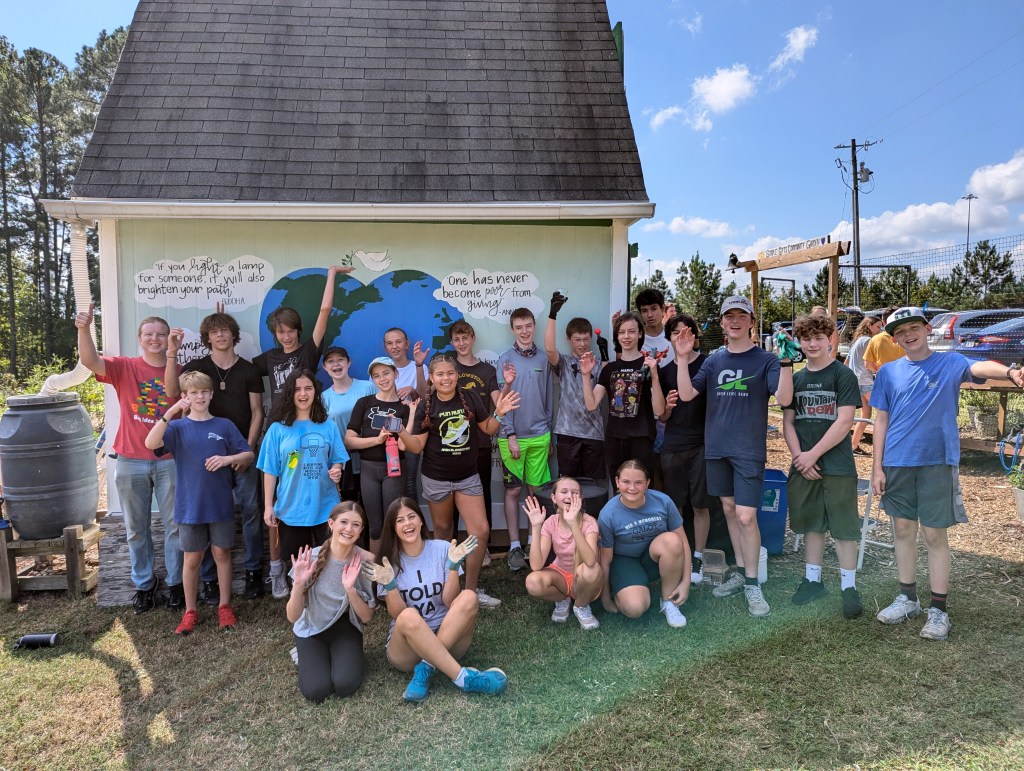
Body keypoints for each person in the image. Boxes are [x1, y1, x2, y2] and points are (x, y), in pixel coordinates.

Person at [871, 307, 1024, 640]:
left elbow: (979, 366)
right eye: (900, 332)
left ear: (927, 329)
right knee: (902, 531)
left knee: (935, 535)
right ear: (894, 338)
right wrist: (876, 467)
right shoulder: (887, 372)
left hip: (937, 462)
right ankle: (907, 598)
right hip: (897, 463)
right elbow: (880, 421)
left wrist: (1012, 373)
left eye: (914, 328)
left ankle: (938, 610)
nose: (908, 335)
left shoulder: (950, 362)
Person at [671, 295, 793, 618]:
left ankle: (753, 584)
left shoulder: (765, 360)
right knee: (727, 508)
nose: (735, 320)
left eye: (742, 315)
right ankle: (740, 571)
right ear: (722, 323)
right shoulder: (713, 361)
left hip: (748, 451)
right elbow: (685, 395)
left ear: (752, 321)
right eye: (730, 316)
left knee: (746, 516)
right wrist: (682, 359)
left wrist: (787, 363)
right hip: (717, 449)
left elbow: (782, 397)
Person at [75, 303, 183, 614]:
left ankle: (176, 584)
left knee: (175, 525)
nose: (155, 339)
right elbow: (90, 361)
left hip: (170, 460)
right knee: (136, 527)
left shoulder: (178, 369)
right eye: (149, 334)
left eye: (161, 334)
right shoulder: (125, 367)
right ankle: (144, 586)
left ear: (168, 339)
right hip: (130, 460)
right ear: (139, 338)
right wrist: (84, 328)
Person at [255, 265, 352, 597]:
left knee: (315, 519)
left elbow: (325, 311)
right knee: (281, 507)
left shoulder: (307, 353)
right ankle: (278, 570)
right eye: (280, 332)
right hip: (282, 432)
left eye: (290, 330)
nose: (286, 336)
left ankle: (326, 582)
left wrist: (332, 274)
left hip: (310, 434)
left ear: (298, 330)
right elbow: (231, 365)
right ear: (274, 334)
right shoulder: (266, 358)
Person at [397, 353, 520, 607]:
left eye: (450, 373)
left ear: (457, 376)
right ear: (432, 378)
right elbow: (416, 447)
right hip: (436, 478)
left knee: (481, 531)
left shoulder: (470, 397)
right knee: (443, 533)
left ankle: (471, 591)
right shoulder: (426, 404)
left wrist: (499, 414)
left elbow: (487, 429)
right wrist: (400, 430)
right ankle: (446, 588)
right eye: (440, 374)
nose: (445, 378)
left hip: (468, 477)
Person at [362, 498, 509, 702]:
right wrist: (390, 585)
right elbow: (397, 615)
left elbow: (450, 602)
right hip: (407, 650)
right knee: (409, 615)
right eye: (400, 520)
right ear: (393, 528)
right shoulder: (388, 561)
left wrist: (453, 567)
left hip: (447, 638)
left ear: (422, 521)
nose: (408, 524)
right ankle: (463, 678)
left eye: (412, 517)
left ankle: (425, 668)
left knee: (468, 596)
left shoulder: (442, 548)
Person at [145, 371, 254, 633]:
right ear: (185, 397)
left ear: (211, 394)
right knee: (192, 559)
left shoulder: (223, 425)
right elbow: (150, 443)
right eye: (193, 393)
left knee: (221, 554)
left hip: (220, 504)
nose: (200, 396)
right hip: (189, 505)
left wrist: (227, 460)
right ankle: (190, 611)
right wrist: (170, 413)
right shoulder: (177, 428)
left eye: (204, 392)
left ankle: (225, 607)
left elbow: (248, 454)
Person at [168, 311, 265, 602]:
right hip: (206, 455)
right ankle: (208, 580)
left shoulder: (248, 370)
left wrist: (244, 451)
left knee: (250, 511)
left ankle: (253, 572)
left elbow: (258, 411)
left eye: (225, 330)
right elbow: (173, 391)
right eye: (214, 331)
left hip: (240, 450)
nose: (220, 335)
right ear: (207, 337)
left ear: (233, 334)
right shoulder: (198, 367)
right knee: (207, 513)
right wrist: (173, 354)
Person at [781, 314, 863, 619]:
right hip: (805, 463)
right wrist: (799, 457)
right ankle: (813, 581)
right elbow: (788, 421)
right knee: (812, 523)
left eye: (819, 338)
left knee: (843, 526)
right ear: (799, 342)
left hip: (837, 464)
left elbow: (844, 422)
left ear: (831, 339)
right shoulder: (796, 379)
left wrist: (812, 454)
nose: (813, 344)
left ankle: (848, 587)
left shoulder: (842, 375)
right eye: (807, 339)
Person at [258, 369, 349, 575]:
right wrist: (267, 506)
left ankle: (330, 604)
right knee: (299, 568)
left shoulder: (328, 426)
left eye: (308, 388)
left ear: (315, 392)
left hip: (326, 507)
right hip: (292, 509)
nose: (303, 394)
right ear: (289, 393)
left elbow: (338, 459)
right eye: (297, 389)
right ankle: (301, 604)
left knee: (331, 563)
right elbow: (270, 471)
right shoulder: (277, 429)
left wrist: (336, 469)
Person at [287, 501, 374, 702]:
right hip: (311, 627)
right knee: (316, 690)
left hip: (344, 627)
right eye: (343, 522)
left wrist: (351, 589)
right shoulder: (311, 557)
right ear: (331, 524)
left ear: (361, 531)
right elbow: (293, 616)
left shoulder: (365, 561)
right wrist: (299, 584)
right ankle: (304, 654)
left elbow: (367, 617)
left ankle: (339, 656)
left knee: (346, 684)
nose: (348, 529)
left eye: (355, 524)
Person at [598, 461, 690, 628]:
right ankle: (627, 588)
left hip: (653, 557)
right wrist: (605, 599)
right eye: (626, 482)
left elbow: (683, 542)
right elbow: (605, 560)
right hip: (625, 561)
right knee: (635, 609)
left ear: (647, 483)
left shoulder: (663, 501)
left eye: (638, 482)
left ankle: (668, 601)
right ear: (617, 482)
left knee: (673, 540)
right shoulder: (608, 514)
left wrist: (686, 583)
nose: (632, 488)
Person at [496, 308, 555, 572]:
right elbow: (502, 402)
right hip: (513, 437)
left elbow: (549, 398)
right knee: (512, 491)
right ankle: (514, 546)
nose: (524, 331)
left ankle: (535, 543)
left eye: (528, 326)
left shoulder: (544, 359)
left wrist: (550, 433)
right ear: (512, 329)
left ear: (534, 326)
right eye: (519, 327)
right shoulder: (505, 359)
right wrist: (510, 435)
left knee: (537, 491)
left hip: (540, 435)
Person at [580, 311, 666, 479]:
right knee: (619, 488)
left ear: (640, 333)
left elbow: (660, 410)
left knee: (641, 489)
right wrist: (585, 375)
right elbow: (591, 405)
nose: (626, 336)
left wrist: (654, 375)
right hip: (615, 438)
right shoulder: (609, 369)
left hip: (642, 437)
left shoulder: (649, 365)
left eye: (631, 331)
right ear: (617, 336)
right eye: (621, 332)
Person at [658, 313, 711, 584]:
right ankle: (680, 555)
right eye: (675, 332)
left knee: (701, 504)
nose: (681, 337)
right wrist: (667, 408)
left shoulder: (707, 365)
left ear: (695, 335)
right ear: (668, 338)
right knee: (676, 506)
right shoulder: (665, 371)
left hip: (701, 445)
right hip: (673, 445)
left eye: (686, 331)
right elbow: (663, 418)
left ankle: (699, 556)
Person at [345, 357, 415, 555]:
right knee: (375, 527)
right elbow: (349, 440)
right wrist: (377, 440)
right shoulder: (364, 402)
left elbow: (404, 445)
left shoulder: (404, 407)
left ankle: (396, 569)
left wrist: (403, 425)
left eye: (386, 373)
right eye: (376, 376)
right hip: (368, 469)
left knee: (393, 522)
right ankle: (376, 575)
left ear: (395, 373)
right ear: (372, 380)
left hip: (394, 469)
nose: (382, 379)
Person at [449, 320, 501, 562]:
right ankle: (449, 547)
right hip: (450, 445)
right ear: (452, 342)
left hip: (479, 443)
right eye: (457, 339)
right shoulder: (447, 368)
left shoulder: (487, 371)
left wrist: (508, 384)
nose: (461, 343)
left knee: (481, 494)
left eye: (465, 338)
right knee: (450, 498)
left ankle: (484, 547)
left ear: (473, 338)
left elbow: (498, 402)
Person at [523, 477, 602, 630]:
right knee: (532, 581)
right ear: (553, 497)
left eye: (575, 492)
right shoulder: (550, 522)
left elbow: (590, 561)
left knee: (591, 570)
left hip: (583, 578)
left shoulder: (589, 522)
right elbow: (536, 565)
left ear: (580, 498)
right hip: (560, 574)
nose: (569, 496)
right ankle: (562, 599)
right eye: (563, 492)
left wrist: (573, 524)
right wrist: (536, 527)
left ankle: (581, 605)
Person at [543, 292, 606, 481]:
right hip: (567, 433)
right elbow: (549, 349)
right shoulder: (564, 362)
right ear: (569, 339)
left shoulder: (601, 365)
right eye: (577, 339)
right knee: (567, 487)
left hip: (594, 434)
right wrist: (552, 315)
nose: (582, 344)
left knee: (593, 490)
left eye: (586, 339)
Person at [321, 346, 376, 501]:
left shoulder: (367, 387)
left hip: (369, 457)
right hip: (342, 463)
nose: (336, 365)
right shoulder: (323, 398)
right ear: (325, 367)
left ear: (349, 362)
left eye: (340, 360)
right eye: (330, 361)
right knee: (348, 507)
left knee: (370, 506)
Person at [382, 327, 428, 500]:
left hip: (411, 431)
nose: (394, 346)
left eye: (398, 341)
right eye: (389, 343)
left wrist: (413, 391)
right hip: (386, 433)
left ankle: (413, 525)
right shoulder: (381, 369)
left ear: (407, 343)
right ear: (385, 347)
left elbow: (425, 398)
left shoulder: (420, 367)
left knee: (409, 483)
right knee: (390, 481)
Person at [845, 315, 883, 455]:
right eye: (878, 327)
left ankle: (853, 446)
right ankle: (883, 448)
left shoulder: (856, 342)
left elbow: (847, 363)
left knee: (866, 414)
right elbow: (871, 363)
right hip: (865, 382)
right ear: (869, 326)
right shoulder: (868, 341)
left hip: (855, 382)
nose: (880, 330)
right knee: (883, 411)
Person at [863, 306, 903, 375]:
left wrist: (879, 370)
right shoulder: (910, 337)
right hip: (907, 377)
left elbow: (867, 364)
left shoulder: (875, 339)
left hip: (885, 378)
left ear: (883, 323)